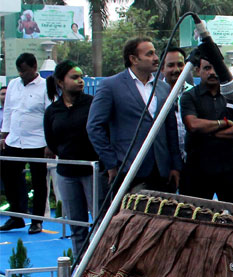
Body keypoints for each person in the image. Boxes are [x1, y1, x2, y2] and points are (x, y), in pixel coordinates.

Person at [87, 37, 183, 193]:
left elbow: (171, 129)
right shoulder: (111, 86)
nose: (156, 58)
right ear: (133, 59)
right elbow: (94, 127)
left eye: (155, 53)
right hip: (126, 169)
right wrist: (111, 163)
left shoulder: (164, 88)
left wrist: (175, 165)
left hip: (161, 171)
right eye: (149, 54)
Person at [43, 61, 102, 257]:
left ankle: (102, 266)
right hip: (66, 173)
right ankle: (80, 266)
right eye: (74, 77)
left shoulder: (93, 103)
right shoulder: (52, 111)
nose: (80, 81)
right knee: (76, 225)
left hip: (92, 171)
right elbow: (51, 142)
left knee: (101, 221)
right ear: (60, 82)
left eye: (81, 77)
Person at [180, 58, 233, 204]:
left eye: (216, 68)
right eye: (207, 68)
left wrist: (212, 133)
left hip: (229, 169)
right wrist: (224, 123)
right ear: (197, 70)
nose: (212, 72)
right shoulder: (189, 96)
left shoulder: (232, 97)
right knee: (195, 215)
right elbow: (193, 125)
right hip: (198, 170)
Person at [0, 53, 51, 233]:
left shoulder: (46, 86)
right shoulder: (14, 84)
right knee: (10, 178)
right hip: (14, 139)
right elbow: (8, 111)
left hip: (37, 141)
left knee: (38, 182)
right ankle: (17, 216)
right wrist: (3, 136)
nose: (21, 74)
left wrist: (49, 143)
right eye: (19, 71)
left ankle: (37, 220)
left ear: (34, 68)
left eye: (25, 71)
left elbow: (50, 115)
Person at [162, 47, 189, 163]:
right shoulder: (154, 96)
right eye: (171, 65)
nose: (176, 69)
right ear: (162, 68)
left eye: (180, 64)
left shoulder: (195, 93)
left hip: (192, 163)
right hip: (166, 163)